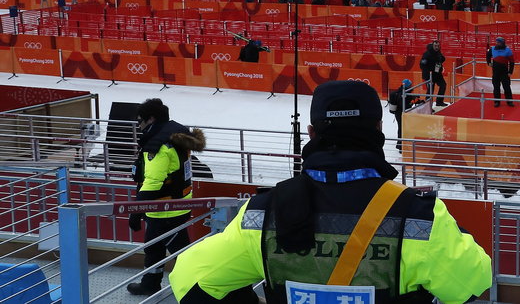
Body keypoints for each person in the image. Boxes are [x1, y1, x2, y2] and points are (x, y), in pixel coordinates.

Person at [168, 80, 492, 304]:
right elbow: (473, 283)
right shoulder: (419, 216)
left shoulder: (263, 213)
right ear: (378, 130)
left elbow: (186, 278)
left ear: (311, 132)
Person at [126, 98, 207, 295]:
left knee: (179, 252)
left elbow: (153, 182)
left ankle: (196, 287)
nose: (139, 125)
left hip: (164, 209)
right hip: (177, 204)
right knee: (155, 247)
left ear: (151, 119)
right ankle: (151, 283)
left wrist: (136, 212)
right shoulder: (175, 135)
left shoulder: (158, 147)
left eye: (140, 121)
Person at [486, 36, 515, 107]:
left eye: (500, 42)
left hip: (505, 73)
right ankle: (497, 102)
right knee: (496, 87)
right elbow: (488, 55)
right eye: (497, 42)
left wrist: (510, 72)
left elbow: (512, 62)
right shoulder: (492, 49)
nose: (498, 43)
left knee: (507, 87)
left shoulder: (508, 50)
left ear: (503, 43)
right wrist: (489, 62)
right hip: (495, 72)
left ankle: (509, 102)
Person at [420, 40, 447, 107]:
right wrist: (428, 75)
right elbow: (422, 65)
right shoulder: (427, 54)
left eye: (438, 46)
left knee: (443, 85)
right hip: (429, 75)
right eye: (435, 46)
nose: (437, 47)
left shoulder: (438, 52)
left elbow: (442, 59)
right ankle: (428, 106)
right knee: (430, 91)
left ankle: (439, 101)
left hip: (437, 74)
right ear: (432, 45)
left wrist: (441, 59)